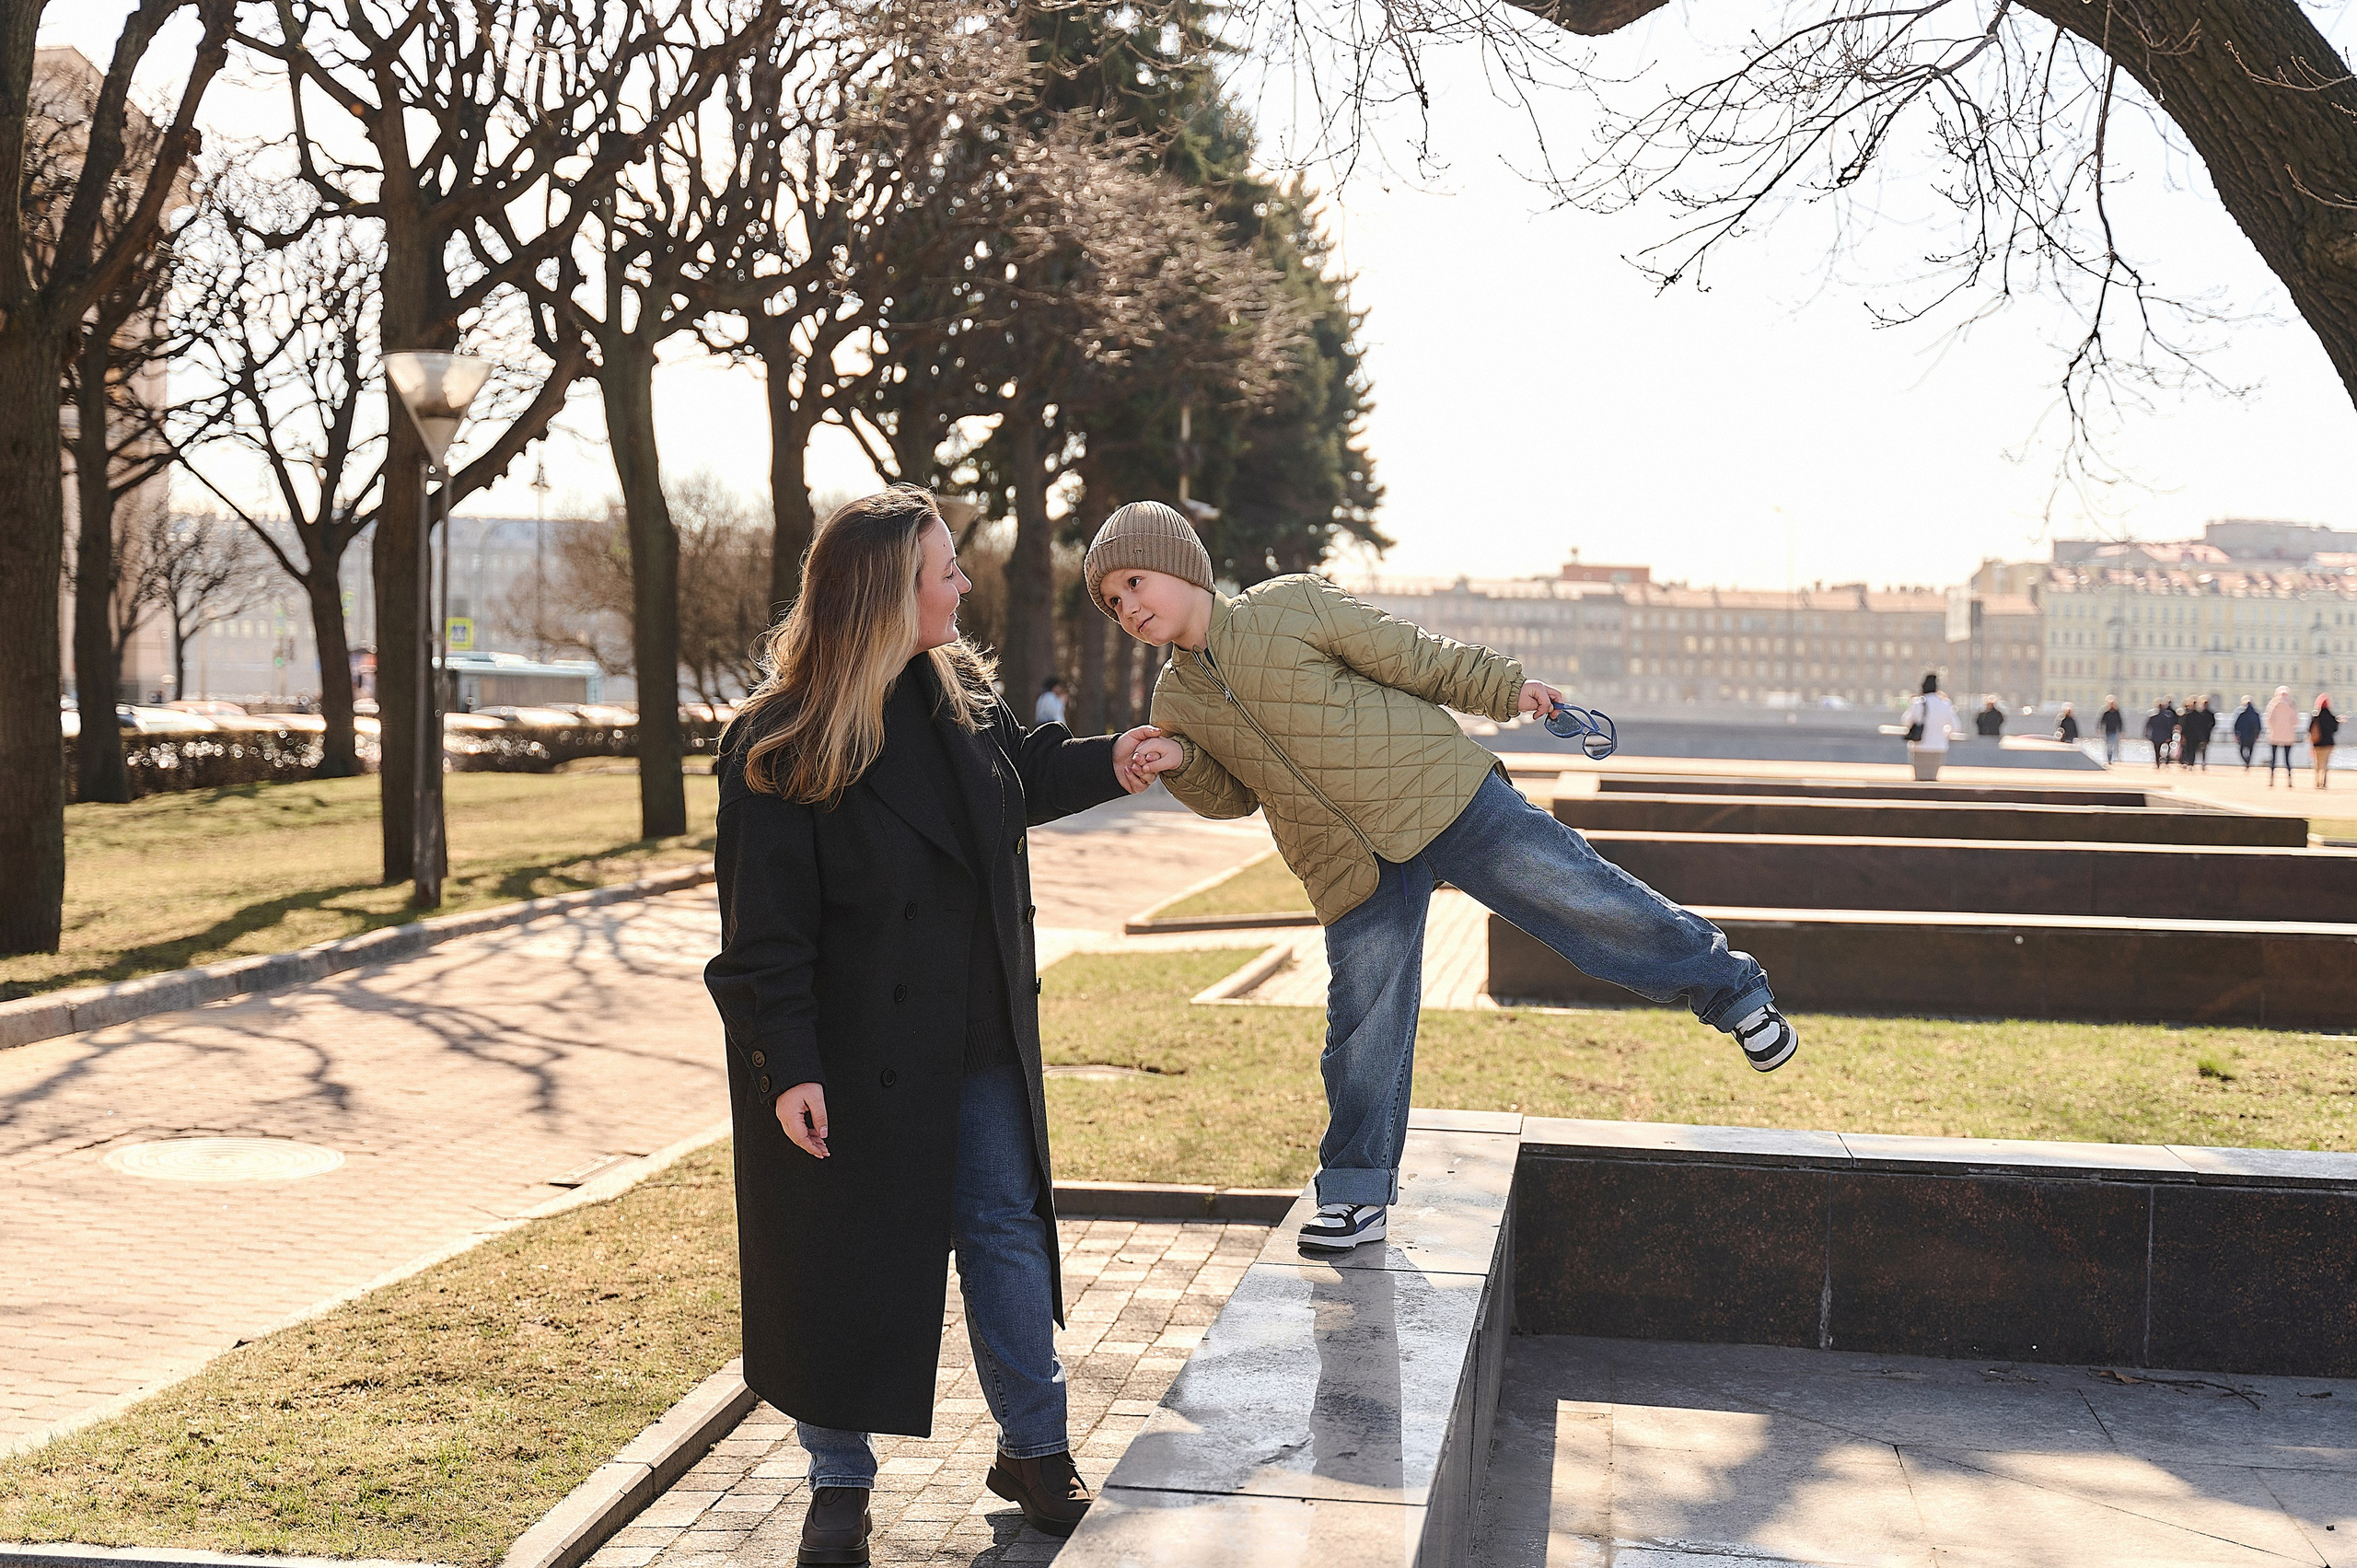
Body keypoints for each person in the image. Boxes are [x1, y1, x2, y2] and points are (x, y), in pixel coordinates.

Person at [1084, 501, 1794, 1254]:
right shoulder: (1174, 701)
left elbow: (1410, 655)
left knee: (1579, 893)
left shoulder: (1290, 603)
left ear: (1184, 562)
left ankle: (1733, 991)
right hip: (1346, 864)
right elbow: (1233, 796)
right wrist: (1182, 763)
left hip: (1444, 792)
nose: (1129, 607)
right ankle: (1357, 1192)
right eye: (1113, 602)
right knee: (1363, 1024)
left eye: (1134, 581)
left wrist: (1507, 689)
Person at [703, 487, 1168, 1558]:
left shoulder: (954, 693)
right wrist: (789, 1067)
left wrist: (1117, 756)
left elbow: (1023, 775)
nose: (964, 583)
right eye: (945, 569)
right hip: (847, 1056)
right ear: (884, 593)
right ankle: (836, 1481)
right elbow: (763, 936)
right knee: (842, 1257)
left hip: (976, 1035)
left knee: (1004, 1233)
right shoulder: (777, 740)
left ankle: (1035, 1450)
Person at [1902, 675, 1958, 781]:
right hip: (1939, 746)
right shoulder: (1945, 704)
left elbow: (1906, 721)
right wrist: (1944, 733)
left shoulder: (1918, 703)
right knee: (1932, 779)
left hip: (1920, 746)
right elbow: (1956, 726)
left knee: (1919, 779)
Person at [2266, 685, 2299, 786]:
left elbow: (2269, 720)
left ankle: (2271, 779)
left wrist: (2273, 729)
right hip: (2288, 736)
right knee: (2287, 759)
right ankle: (2289, 780)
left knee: (2273, 759)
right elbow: (2296, 721)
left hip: (2275, 735)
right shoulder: (2291, 705)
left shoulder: (2273, 704)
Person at [2311, 694, 2339, 789]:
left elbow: (2310, 730)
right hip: (2328, 743)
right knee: (2326, 763)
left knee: (2318, 763)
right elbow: (2335, 729)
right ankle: (2324, 782)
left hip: (2317, 743)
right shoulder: (2331, 717)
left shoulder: (2315, 717)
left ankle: (2318, 781)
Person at [2144, 699, 2178, 770]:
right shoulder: (2168, 716)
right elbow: (2170, 727)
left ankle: (2157, 762)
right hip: (2165, 736)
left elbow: (2148, 726)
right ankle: (2166, 760)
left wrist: (2147, 734)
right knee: (2167, 749)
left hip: (2155, 736)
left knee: (2157, 751)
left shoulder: (2153, 716)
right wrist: (2170, 736)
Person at [2182, 697, 2213, 770]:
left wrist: (2183, 735)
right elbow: (2204, 727)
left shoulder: (2187, 716)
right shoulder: (2201, 716)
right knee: (2198, 750)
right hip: (2197, 736)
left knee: (2190, 750)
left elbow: (2184, 727)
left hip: (2189, 736)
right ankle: (2199, 763)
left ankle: (2191, 764)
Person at [2233, 695, 2262, 770]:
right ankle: (2249, 761)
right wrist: (2258, 734)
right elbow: (2259, 725)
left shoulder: (2241, 713)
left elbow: (2236, 725)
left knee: (2241, 750)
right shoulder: (2256, 713)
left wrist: (2236, 734)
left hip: (2243, 735)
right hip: (2252, 735)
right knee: (2251, 750)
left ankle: (2246, 761)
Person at [2098, 695, 2124, 764]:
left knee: (2114, 745)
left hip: (2115, 731)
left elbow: (2120, 722)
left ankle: (2114, 758)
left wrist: (2121, 731)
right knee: (2109, 745)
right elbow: (2102, 721)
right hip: (2107, 731)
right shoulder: (2106, 713)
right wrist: (2100, 729)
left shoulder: (2117, 712)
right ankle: (2109, 759)